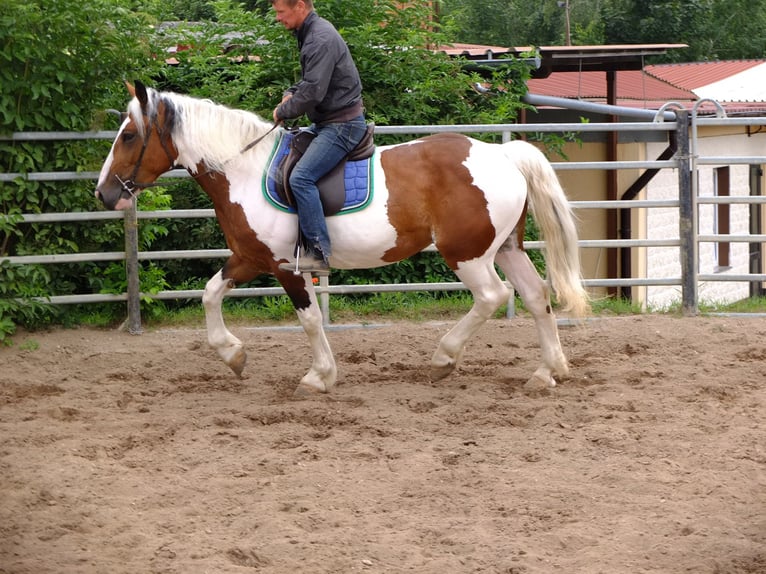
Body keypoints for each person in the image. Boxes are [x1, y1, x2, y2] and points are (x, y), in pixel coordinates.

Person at [271, 0, 367, 274]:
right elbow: (311, 81)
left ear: (299, 6)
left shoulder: (319, 38)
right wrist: (292, 91)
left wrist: (284, 110)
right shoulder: (312, 34)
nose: (278, 18)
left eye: (281, 12)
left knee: (300, 178)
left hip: (341, 125)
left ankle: (318, 253)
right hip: (328, 121)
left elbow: (313, 92)